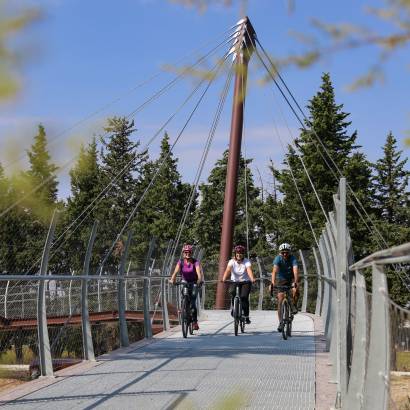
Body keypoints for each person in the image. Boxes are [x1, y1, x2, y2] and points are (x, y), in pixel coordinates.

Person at [170, 244, 203, 330]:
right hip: (185, 281)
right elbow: (175, 272)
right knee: (184, 296)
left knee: (192, 303)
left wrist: (199, 281)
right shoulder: (180, 262)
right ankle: (183, 307)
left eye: (189, 252)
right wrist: (172, 280)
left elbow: (199, 274)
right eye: (185, 252)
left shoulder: (195, 262)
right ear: (183, 253)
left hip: (193, 282)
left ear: (191, 253)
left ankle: (195, 322)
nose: (187, 254)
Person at [222, 244, 256, 324]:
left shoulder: (246, 261)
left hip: (245, 282)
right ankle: (234, 308)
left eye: (240, 254)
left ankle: (246, 316)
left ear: (243, 254)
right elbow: (228, 270)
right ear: (235, 254)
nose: (239, 255)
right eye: (237, 254)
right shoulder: (232, 261)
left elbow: (249, 270)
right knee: (232, 292)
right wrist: (224, 278)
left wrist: (252, 278)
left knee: (244, 297)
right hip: (234, 281)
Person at [270, 243, 299, 332]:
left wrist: (295, 283)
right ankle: (281, 323)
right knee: (280, 299)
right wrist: (272, 283)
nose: (285, 254)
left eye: (286, 252)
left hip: (291, 278)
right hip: (281, 279)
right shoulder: (278, 259)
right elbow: (274, 272)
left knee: (295, 290)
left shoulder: (293, 258)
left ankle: (294, 305)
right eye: (283, 253)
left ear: (289, 252)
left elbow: (295, 271)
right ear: (280, 253)